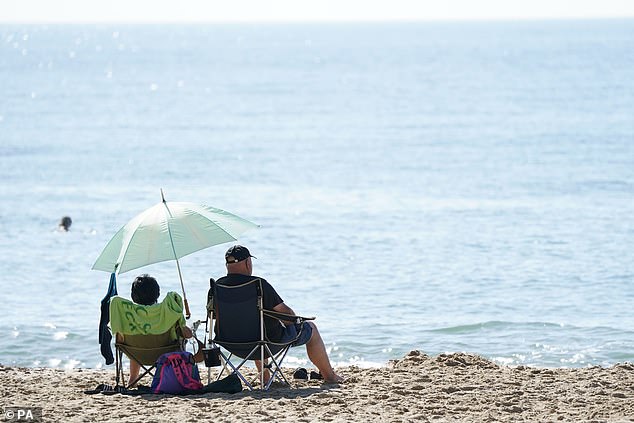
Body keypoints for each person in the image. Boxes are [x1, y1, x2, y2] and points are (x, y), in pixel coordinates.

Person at [216, 245, 344, 384]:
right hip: (262, 343)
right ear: (248, 262)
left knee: (257, 326)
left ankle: (265, 378)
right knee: (310, 328)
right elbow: (286, 313)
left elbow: (215, 316)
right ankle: (330, 377)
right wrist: (295, 323)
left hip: (229, 342)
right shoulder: (258, 284)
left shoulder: (217, 287)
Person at [122, 274, 192, 386]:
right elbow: (187, 335)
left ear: (133, 295)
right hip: (165, 356)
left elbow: (120, 339)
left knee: (137, 342)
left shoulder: (128, 316)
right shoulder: (168, 313)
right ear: (157, 294)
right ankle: (174, 379)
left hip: (136, 354)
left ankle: (133, 380)